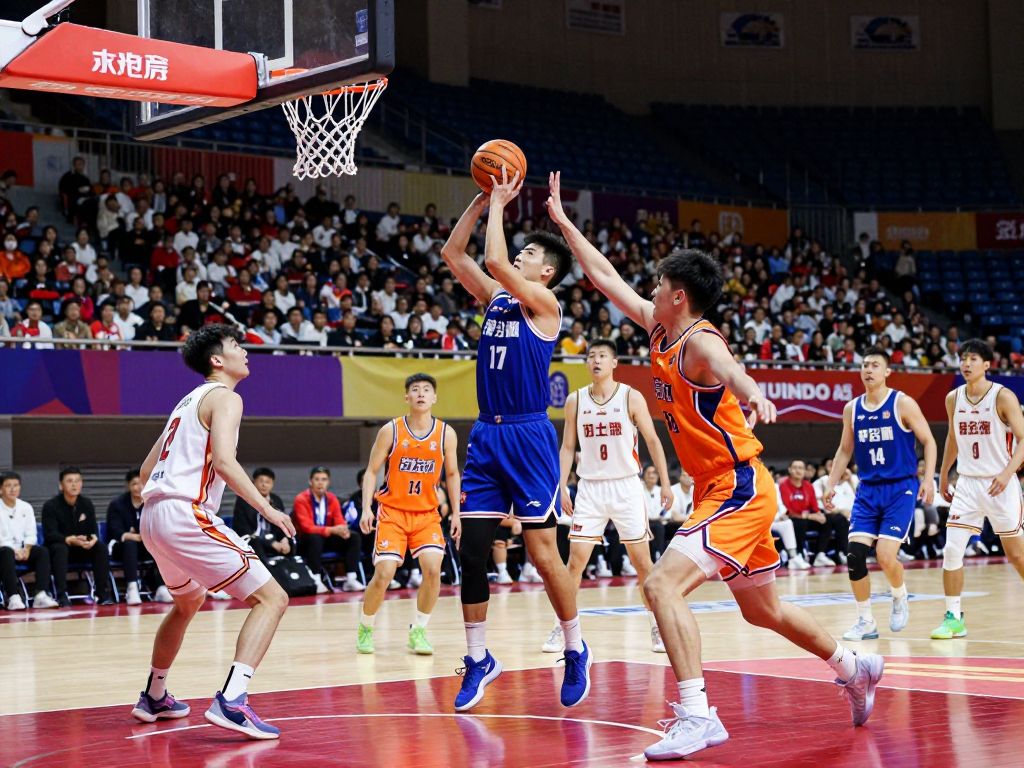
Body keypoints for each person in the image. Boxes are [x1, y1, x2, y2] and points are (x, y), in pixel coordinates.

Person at [546, 171, 882, 761]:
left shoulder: (700, 341)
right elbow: (604, 277)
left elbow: (732, 369)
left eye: (659, 285)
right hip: (718, 490)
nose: (650, 290)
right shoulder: (659, 329)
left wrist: (753, 393)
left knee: (659, 584)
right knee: (762, 610)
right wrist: (565, 224)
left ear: (679, 295)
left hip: (738, 488)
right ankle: (855, 667)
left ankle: (699, 715)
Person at [440, 175, 591, 713]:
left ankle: (574, 647)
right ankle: (478, 658)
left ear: (546, 271)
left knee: (544, 555)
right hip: (487, 433)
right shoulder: (496, 300)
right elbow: (453, 253)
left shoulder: (544, 303)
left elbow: (495, 261)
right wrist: (479, 203)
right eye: (519, 250)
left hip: (529, 436)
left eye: (529, 253)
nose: (519, 256)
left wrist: (501, 205)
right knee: (471, 551)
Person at [133, 324, 294, 739]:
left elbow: (147, 471)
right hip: (185, 514)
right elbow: (224, 462)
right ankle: (233, 700)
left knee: (188, 602)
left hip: (153, 516)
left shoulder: (185, 403)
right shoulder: (226, 397)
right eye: (237, 345)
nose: (245, 351)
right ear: (218, 360)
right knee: (272, 598)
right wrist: (267, 509)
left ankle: (155, 694)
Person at [543, 339, 673, 654]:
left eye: (602, 355)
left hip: (626, 486)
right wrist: (561, 486)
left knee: (642, 563)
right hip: (590, 488)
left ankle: (656, 625)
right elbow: (567, 448)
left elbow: (653, 440)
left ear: (614, 362)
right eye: (591, 356)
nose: (596, 360)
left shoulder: (631, 396)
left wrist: (666, 483)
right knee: (575, 563)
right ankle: (563, 628)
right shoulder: (575, 400)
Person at [821, 347, 936, 641]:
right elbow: (844, 449)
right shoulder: (852, 409)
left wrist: (928, 479)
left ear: (887, 372)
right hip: (868, 490)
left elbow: (928, 441)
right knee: (855, 554)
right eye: (864, 365)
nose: (868, 370)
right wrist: (831, 483)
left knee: (885, 555)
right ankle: (866, 621)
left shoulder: (902, 403)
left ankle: (899, 595)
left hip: (900, 488)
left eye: (875, 365)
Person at [356, 373, 460, 655]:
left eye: (426, 389)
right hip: (393, 513)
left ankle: (419, 630)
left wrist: (457, 514)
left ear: (435, 397)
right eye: (415, 389)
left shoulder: (446, 433)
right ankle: (366, 627)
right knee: (384, 573)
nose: (421, 394)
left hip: (427, 514)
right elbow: (371, 471)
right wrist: (366, 508)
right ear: (407, 397)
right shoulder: (391, 430)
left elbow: (452, 474)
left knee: (434, 569)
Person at [931, 339, 1024, 640]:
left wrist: (1007, 474)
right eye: (963, 359)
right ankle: (953, 618)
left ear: (987, 364)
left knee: (1017, 556)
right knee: (951, 550)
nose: (966, 364)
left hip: (1000, 484)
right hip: (968, 483)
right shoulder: (953, 398)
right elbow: (953, 438)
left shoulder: (1003, 396)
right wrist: (944, 474)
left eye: (973, 359)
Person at [43, 467, 113, 606]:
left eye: (77, 481)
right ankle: (62, 595)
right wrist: (68, 540)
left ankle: (102, 594)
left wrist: (92, 539)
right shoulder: (50, 506)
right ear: (61, 485)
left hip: (81, 547)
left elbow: (92, 530)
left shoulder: (86, 504)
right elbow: (50, 534)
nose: (74, 485)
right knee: (60, 548)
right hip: (60, 548)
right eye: (69, 481)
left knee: (100, 547)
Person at [293, 467, 365, 593]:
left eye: (324, 479)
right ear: (310, 481)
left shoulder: (332, 498)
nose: (320, 483)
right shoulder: (301, 499)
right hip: (306, 540)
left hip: (326, 539)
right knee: (315, 538)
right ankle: (316, 579)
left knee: (353, 537)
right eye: (317, 479)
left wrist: (343, 529)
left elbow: (339, 520)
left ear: (328, 482)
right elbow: (307, 527)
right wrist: (332, 530)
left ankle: (351, 579)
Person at [107, 468, 173, 605]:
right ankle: (132, 588)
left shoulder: (153, 503)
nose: (138, 487)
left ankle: (161, 587)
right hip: (122, 548)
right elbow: (115, 531)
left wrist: (138, 535)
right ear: (128, 486)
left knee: (162, 544)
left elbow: (160, 526)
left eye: (142, 483)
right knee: (130, 544)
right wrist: (133, 536)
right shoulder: (117, 505)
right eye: (134, 484)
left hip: (146, 545)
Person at [1, 472, 59, 610]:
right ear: (1, 489)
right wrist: (15, 551)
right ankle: (13, 597)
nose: (13, 489)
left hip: (22, 550)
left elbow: (31, 533)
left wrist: (27, 548)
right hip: (4, 550)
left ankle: (41, 595)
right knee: (6, 552)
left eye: (16, 485)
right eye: (8, 486)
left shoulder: (26, 507)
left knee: (42, 552)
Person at [231, 468, 294, 565]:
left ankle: (291, 570)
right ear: (253, 482)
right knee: (255, 543)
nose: (264, 485)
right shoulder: (244, 500)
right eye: (261, 481)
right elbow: (242, 528)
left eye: (268, 482)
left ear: (272, 484)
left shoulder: (276, 500)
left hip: (272, 537)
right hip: (254, 538)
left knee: (292, 542)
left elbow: (282, 524)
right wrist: (271, 543)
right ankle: (267, 572)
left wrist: (284, 540)